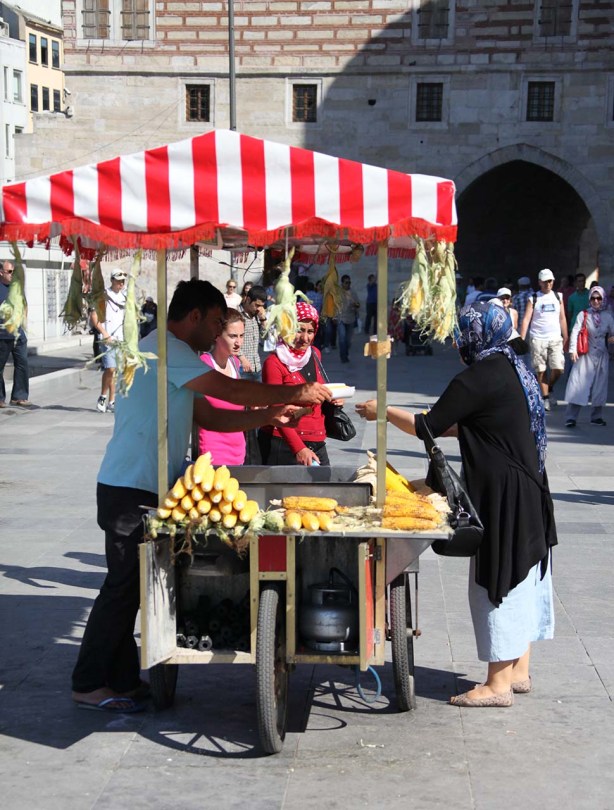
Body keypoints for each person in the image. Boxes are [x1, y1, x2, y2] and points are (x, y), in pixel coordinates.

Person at [71, 279, 330, 712]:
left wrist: (270, 413)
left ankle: (119, 679)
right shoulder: (170, 351)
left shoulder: (174, 354)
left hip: (140, 486)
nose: (216, 333)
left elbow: (210, 414)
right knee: (121, 589)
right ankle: (88, 681)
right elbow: (228, 390)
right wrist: (293, 391)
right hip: (130, 487)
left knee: (131, 589)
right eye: (214, 322)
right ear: (193, 316)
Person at [356, 301, 557, 707]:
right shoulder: (514, 368)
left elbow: (426, 426)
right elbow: (478, 423)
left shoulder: (477, 378)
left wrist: (382, 412)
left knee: (498, 581)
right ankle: (518, 671)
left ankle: (497, 686)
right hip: (531, 487)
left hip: (503, 495)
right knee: (524, 578)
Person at [259, 301, 338, 466]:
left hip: (316, 439)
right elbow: (276, 409)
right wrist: (298, 448)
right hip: (283, 443)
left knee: (324, 489)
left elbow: (317, 390)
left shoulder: (315, 354)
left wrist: (332, 397)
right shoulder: (274, 363)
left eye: (310, 331)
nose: (305, 338)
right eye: (300, 330)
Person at [198, 308, 247, 464]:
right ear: (217, 335)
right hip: (213, 452)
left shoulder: (235, 363)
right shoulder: (204, 365)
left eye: (241, 336)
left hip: (238, 449)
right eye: (233, 336)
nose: (238, 342)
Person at [564, 285, 614, 428]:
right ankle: (571, 417)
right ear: (589, 299)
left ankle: (596, 417)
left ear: (603, 298)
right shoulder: (583, 314)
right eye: (593, 298)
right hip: (585, 355)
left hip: (602, 355)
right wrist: (573, 350)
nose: (596, 301)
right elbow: (575, 332)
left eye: (599, 298)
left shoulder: (608, 316)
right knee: (579, 385)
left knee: (600, 388)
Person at [520, 268, 568, 411]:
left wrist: (565, 335)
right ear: (540, 282)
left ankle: (550, 387)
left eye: (550, 281)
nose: (548, 284)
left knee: (558, 368)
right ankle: (546, 397)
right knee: (541, 370)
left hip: (555, 338)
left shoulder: (558, 296)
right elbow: (526, 319)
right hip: (538, 338)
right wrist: (522, 338)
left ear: (553, 281)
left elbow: (562, 317)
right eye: (545, 281)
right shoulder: (534, 298)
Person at [90, 268, 128, 414]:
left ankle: (112, 401)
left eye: (122, 281)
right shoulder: (103, 296)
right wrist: (104, 333)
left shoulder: (124, 297)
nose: (121, 284)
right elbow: (94, 317)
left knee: (115, 371)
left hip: (120, 339)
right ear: (112, 280)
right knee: (110, 368)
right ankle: (102, 397)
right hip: (107, 339)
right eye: (118, 281)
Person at [0, 260, 31, 408]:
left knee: (22, 363)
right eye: (10, 272)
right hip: (2, 334)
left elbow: (24, 305)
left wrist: (23, 321)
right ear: (1, 272)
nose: (13, 275)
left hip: (18, 334)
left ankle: (19, 396)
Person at [238, 285, 268, 382]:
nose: (259, 308)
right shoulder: (237, 314)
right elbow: (229, 339)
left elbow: (265, 337)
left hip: (256, 366)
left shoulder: (257, 315)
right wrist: (242, 358)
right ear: (248, 299)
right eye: (257, 305)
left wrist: (263, 319)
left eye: (262, 306)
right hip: (242, 368)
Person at [337, 274, 360, 363]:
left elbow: (358, 304)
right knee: (342, 338)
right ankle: (343, 357)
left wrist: (356, 305)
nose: (348, 284)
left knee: (348, 340)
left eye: (349, 282)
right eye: (346, 282)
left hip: (351, 318)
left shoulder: (353, 293)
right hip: (341, 318)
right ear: (342, 283)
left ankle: (345, 353)